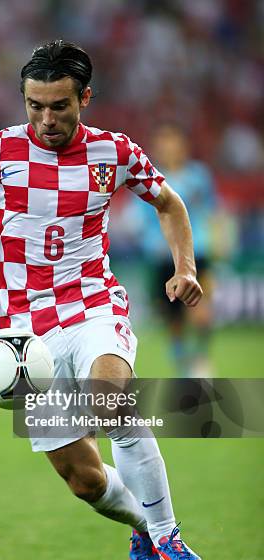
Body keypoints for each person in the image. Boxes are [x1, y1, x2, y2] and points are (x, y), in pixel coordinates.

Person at [0, 41, 205, 560]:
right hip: (24, 336)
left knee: (112, 403)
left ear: (85, 98)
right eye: (35, 106)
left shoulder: (115, 152)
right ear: (23, 100)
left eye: (59, 106)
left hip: (93, 305)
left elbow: (169, 203)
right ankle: (143, 528)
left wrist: (186, 267)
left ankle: (168, 531)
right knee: (84, 481)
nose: (46, 119)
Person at [123, 122, 216, 376]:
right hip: (160, 257)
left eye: (172, 141)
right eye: (163, 143)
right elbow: (137, 218)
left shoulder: (199, 176)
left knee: (202, 313)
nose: (168, 148)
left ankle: (200, 359)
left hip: (197, 253)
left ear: (183, 145)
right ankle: (184, 365)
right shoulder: (150, 179)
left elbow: (212, 212)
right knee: (173, 320)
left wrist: (219, 240)